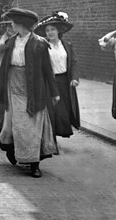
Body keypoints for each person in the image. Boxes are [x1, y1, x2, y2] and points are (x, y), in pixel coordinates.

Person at [0, 8, 59, 178]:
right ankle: (14, 151)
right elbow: (4, 68)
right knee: (16, 124)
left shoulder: (40, 43)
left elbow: (47, 70)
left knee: (31, 127)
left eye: (14, 22)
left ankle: (34, 164)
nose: (12, 25)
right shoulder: (11, 42)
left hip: (34, 90)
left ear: (20, 24)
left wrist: (54, 92)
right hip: (13, 88)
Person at [34, 12, 80, 149]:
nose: (50, 33)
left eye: (52, 29)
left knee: (63, 111)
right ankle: (50, 140)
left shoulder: (66, 45)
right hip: (49, 83)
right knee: (51, 111)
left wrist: (74, 78)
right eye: (47, 30)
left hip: (64, 82)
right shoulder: (42, 46)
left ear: (58, 30)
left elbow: (74, 63)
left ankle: (55, 136)